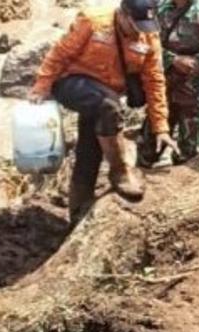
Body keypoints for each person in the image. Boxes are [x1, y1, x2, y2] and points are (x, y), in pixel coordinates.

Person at [29, 0, 176, 224]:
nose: (139, 31)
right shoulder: (93, 21)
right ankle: (119, 170)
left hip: (104, 94)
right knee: (109, 107)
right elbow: (60, 54)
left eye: (144, 26)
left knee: (90, 147)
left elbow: (154, 80)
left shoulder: (149, 37)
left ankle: (77, 211)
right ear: (123, 14)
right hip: (71, 82)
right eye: (135, 25)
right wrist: (41, 86)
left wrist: (161, 126)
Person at [137, 0, 199, 166]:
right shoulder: (160, 8)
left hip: (195, 94)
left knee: (190, 155)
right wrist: (173, 60)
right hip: (163, 90)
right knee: (147, 150)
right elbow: (146, 45)